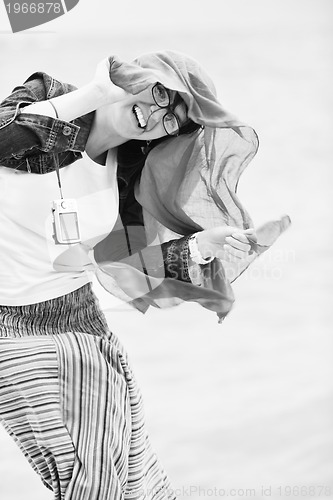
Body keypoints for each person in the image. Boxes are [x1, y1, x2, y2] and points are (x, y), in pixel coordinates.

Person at [0, 50, 290, 500]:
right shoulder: (49, 98)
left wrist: (198, 246)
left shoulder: (125, 173)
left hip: (83, 326)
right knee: (86, 477)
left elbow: (121, 267)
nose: (156, 115)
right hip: (14, 334)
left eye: (173, 119)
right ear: (134, 77)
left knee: (127, 475)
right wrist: (97, 92)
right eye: (159, 92)